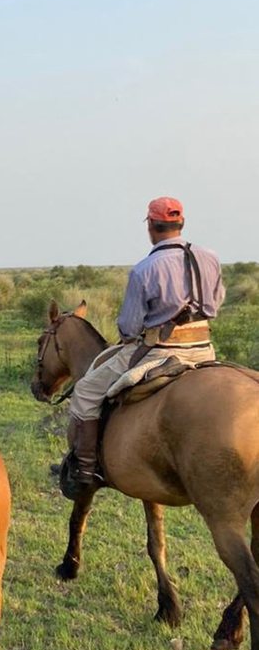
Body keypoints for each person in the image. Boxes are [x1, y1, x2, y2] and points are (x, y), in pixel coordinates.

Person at [64, 197, 225, 489]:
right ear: (182, 224)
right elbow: (216, 303)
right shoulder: (209, 257)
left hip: (160, 353)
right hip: (203, 349)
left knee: (86, 391)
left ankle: (85, 472)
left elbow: (129, 326)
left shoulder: (144, 269)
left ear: (151, 226)